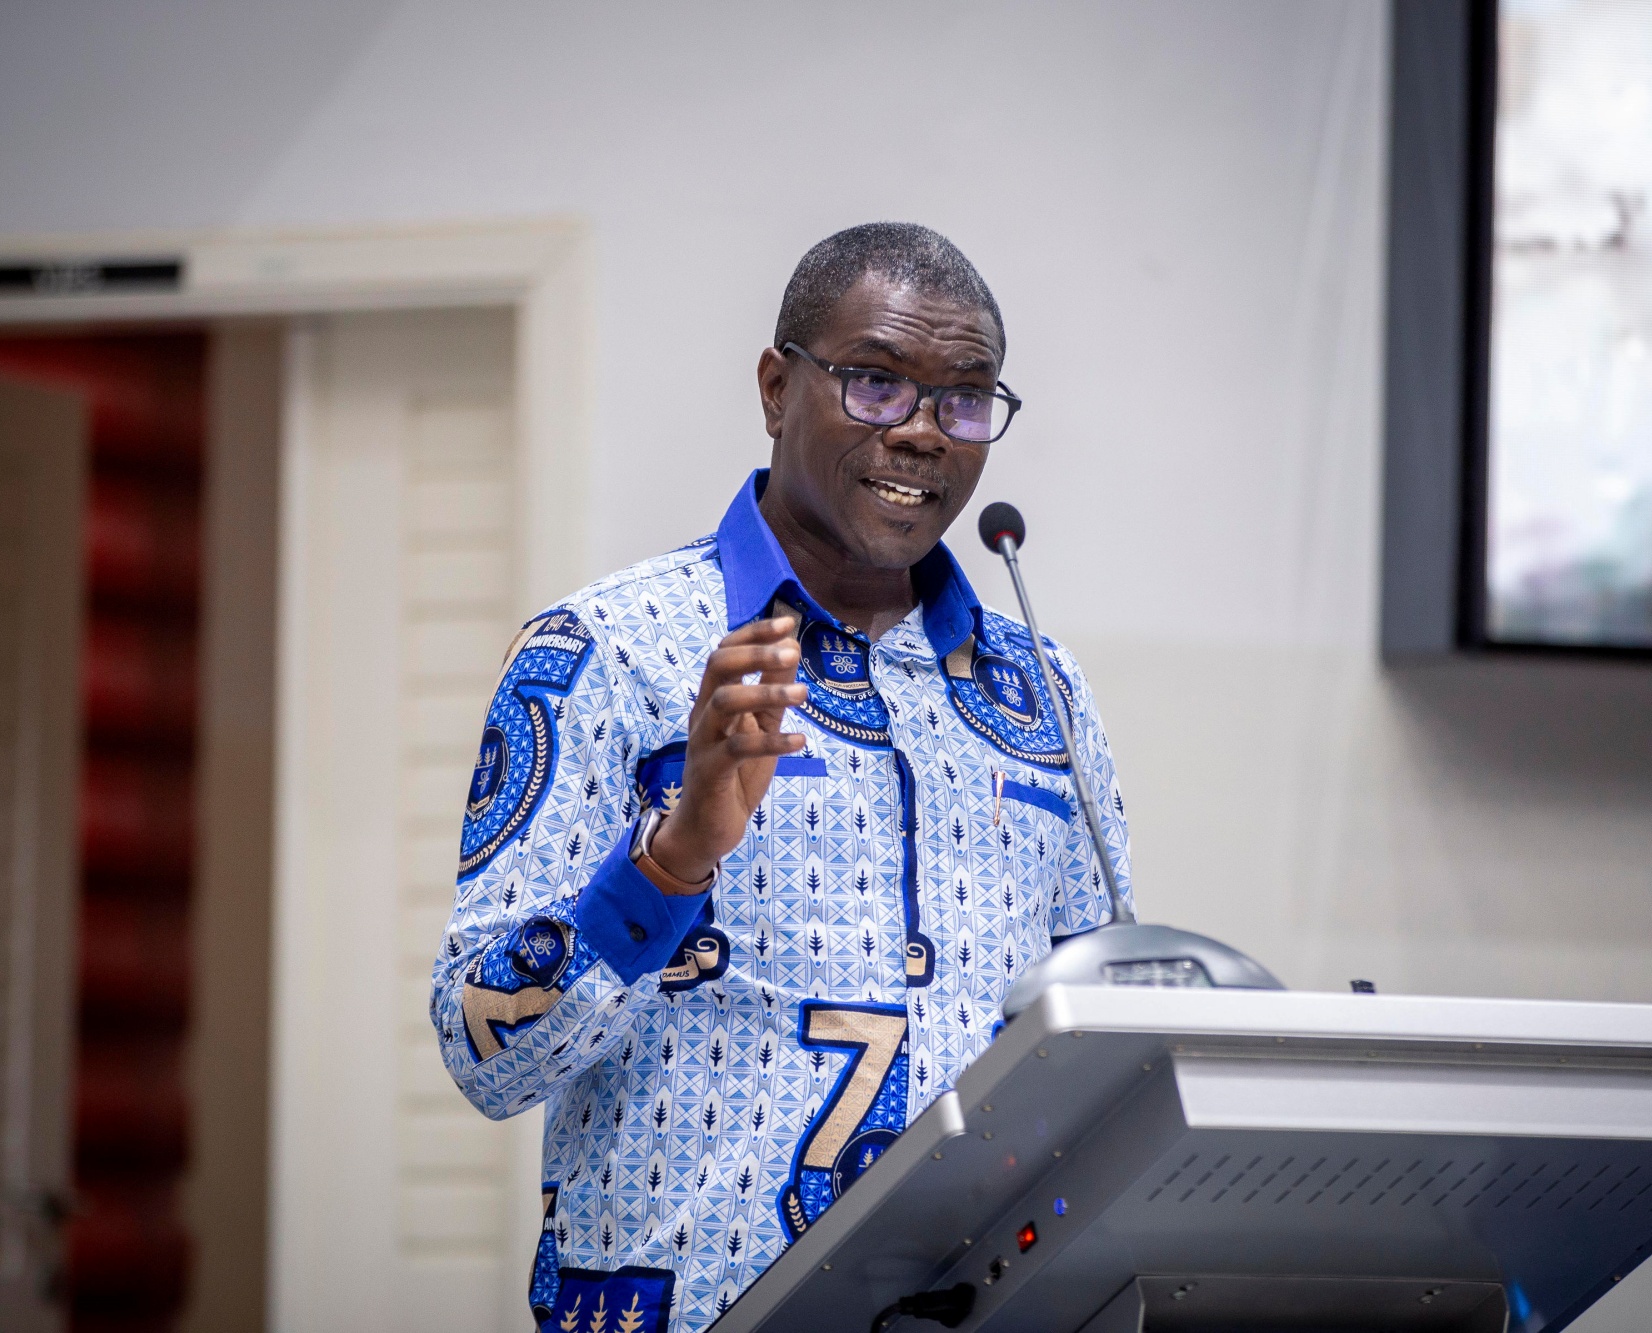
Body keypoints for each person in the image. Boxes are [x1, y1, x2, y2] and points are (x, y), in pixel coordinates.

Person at [432, 222, 1132, 1333]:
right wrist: (669, 863)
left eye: (962, 398)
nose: (919, 434)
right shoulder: (603, 652)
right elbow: (484, 1054)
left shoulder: (1042, 694)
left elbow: (1098, 1042)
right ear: (774, 385)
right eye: (873, 383)